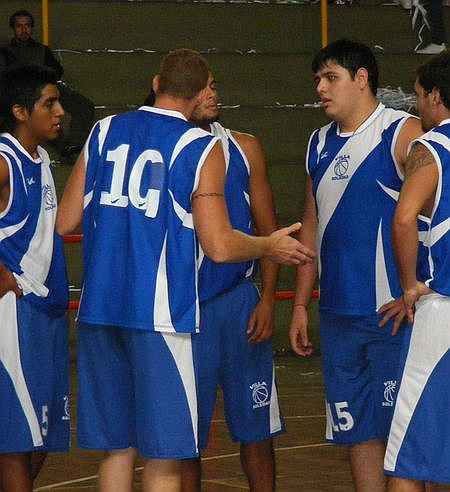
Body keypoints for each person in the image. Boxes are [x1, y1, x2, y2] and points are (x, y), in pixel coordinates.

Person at [56, 49, 315, 492]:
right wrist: (267, 245)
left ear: (156, 83)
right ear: (198, 97)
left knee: (118, 451)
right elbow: (219, 246)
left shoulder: (104, 130)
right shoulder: (201, 147)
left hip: (99, 311)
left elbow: (64, 222)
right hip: (158, 316)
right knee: (164, 458)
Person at [288, 39, 423, 491]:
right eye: (317, 80)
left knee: (404, 441)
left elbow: (435, 209)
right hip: (337, 316)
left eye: (331, 78)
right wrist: (301, 305)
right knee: (357, 432)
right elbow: (311, 225)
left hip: (392, 315)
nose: (321, 89)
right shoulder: (317, 143)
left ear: (361, 78)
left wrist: (420, 286)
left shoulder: (401, 132)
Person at [180, 74, 283, 492]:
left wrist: (268, 300)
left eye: (214, 85)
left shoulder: (244, 146)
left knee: (257, 428)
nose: (212, 94)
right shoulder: (167, 149)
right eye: (201, 87)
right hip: (185, 307)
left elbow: (269, 230)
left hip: (240, 301)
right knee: (185, 438)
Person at [0, 62, 69, 491]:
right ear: (20, 111)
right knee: (15, 441)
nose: (60, 111)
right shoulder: (4, 159)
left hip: (46, 309)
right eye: (49, 103)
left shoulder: (41, 158)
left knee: (42, 435)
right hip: (14, 313)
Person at [384, 50, 450, 491]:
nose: (416, 104)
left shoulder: (431, 147)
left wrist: (409, 284)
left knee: (408, 457)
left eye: (419, 94)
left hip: (443, 311)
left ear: (436, 96)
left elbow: (404, 218)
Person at [0, 10, 95, 160]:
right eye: (19, 26)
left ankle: (74, 147)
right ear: (13, 29)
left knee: (84, 105)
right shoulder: (5, 52)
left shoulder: (42, 50)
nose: (24, 30)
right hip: (23, 93)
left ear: (32, 28)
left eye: (27, 26)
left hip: (49, 87)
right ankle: (63, 148)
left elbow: (57, 70)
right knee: (44, 110)